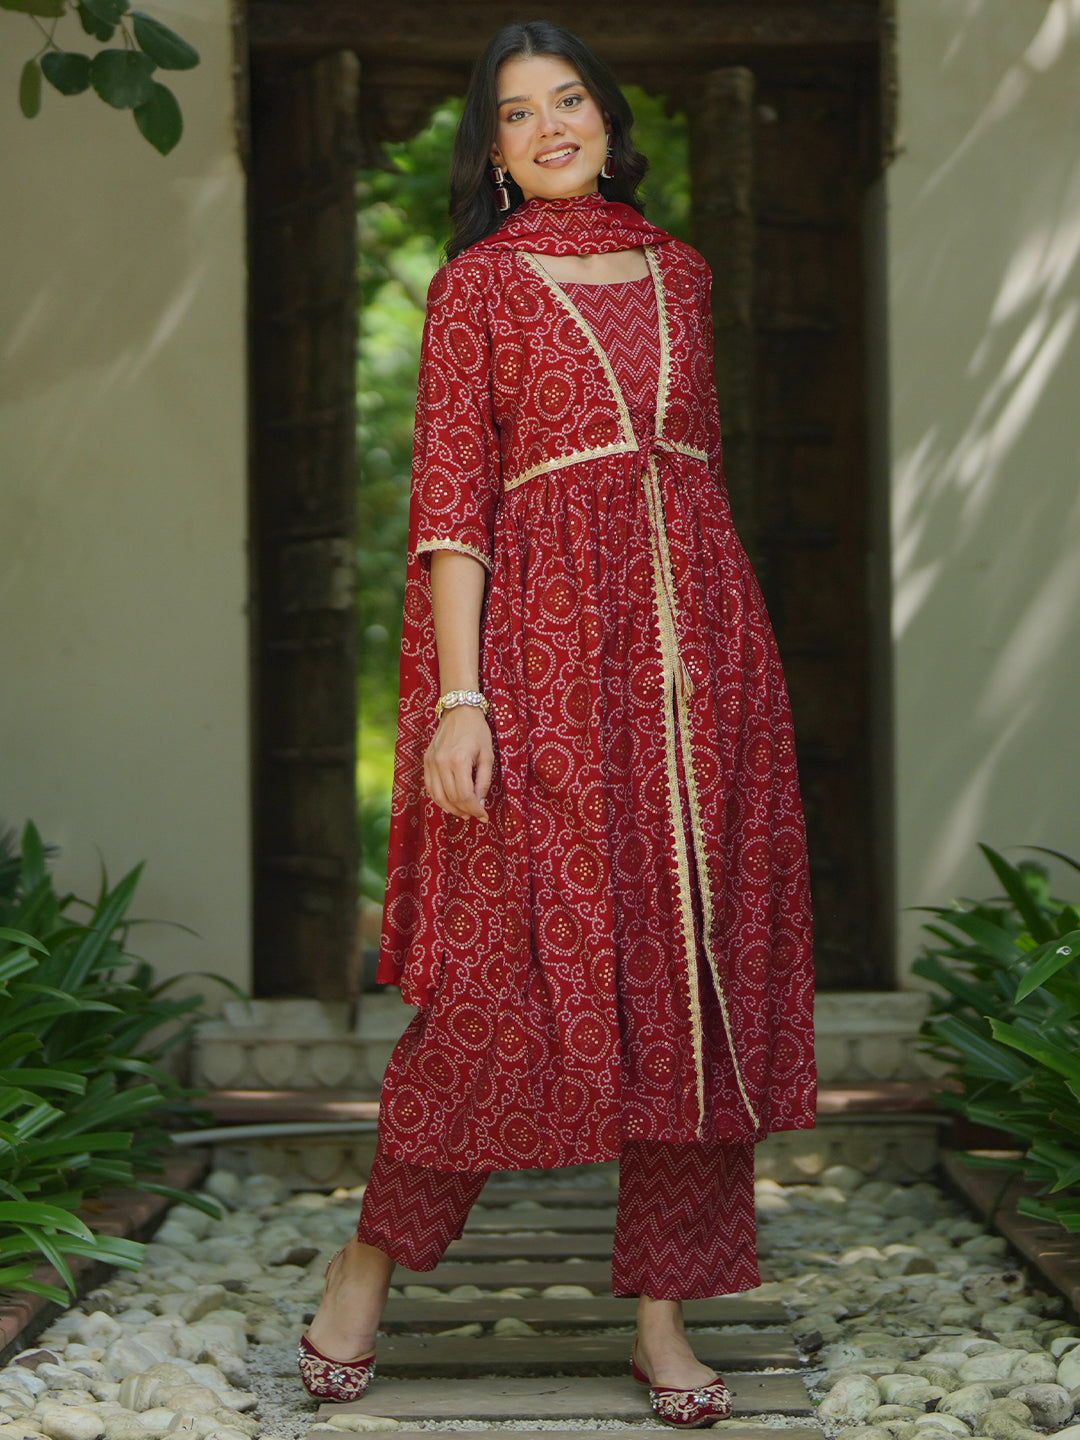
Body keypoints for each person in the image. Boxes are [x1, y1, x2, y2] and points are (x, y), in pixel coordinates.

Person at [297, 20, 816, 1429]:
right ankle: (366, 1264)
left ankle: (660, 1317)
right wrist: (461, 701)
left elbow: (687, 488)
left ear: (607, 116)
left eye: (569, 99)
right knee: (495, 978)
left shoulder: (684, 274)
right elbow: (453, 505)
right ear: (495, 151)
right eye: (518, 113)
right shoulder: (476, 289)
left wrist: (715, 657)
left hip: (701, 661)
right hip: (542, 661)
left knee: (690, 977)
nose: (550, 126)